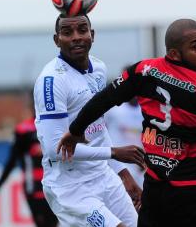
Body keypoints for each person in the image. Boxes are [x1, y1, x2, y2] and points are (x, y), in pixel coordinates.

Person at [58, 18, 196, 227]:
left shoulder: (142, 70)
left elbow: (105, 98)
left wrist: (76, 129)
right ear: (175, 54)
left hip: (156, 190)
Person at [33, 14, 144, 227]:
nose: (76, 37)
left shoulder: (99, 69)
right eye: (67, 33)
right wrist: (114, 152)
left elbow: (98, 129)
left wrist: (122, 173)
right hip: (71, 188)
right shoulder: (52, 81)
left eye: (82, 30)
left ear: (92, 35)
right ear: (56, 40)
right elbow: (55, 150)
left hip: (103, 176)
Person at [0, 98, 58, 227]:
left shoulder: (57, 127)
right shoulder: (24, 130)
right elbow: (11, 162)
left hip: (56, 187)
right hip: (34, 188)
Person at [105, 96, 145, 188]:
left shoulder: (145, 113)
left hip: (137, 165)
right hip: (115, 162)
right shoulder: (114, 110)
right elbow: (102, 131)